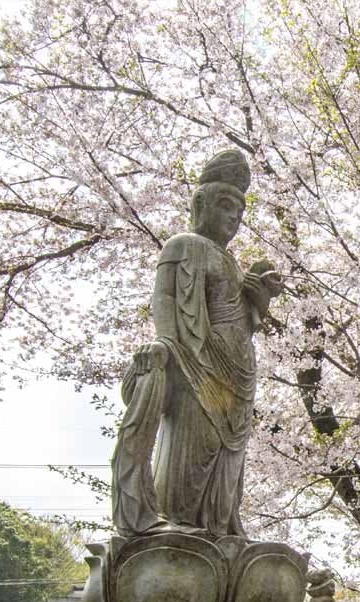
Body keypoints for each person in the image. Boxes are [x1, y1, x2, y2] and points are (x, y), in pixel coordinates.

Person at [110, 148, 281, 537]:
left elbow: (242, 319)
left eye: (239, 213)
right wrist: (166, 345)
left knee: (225, 467)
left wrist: (260, 297)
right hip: (196, 363)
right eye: (225, 208)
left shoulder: (231, 262)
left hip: (237, 373)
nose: (233, 219)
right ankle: (178, 529)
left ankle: (220, 529)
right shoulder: (182, 246)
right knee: (192, 453)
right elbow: (166, 302)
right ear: (201, 204)